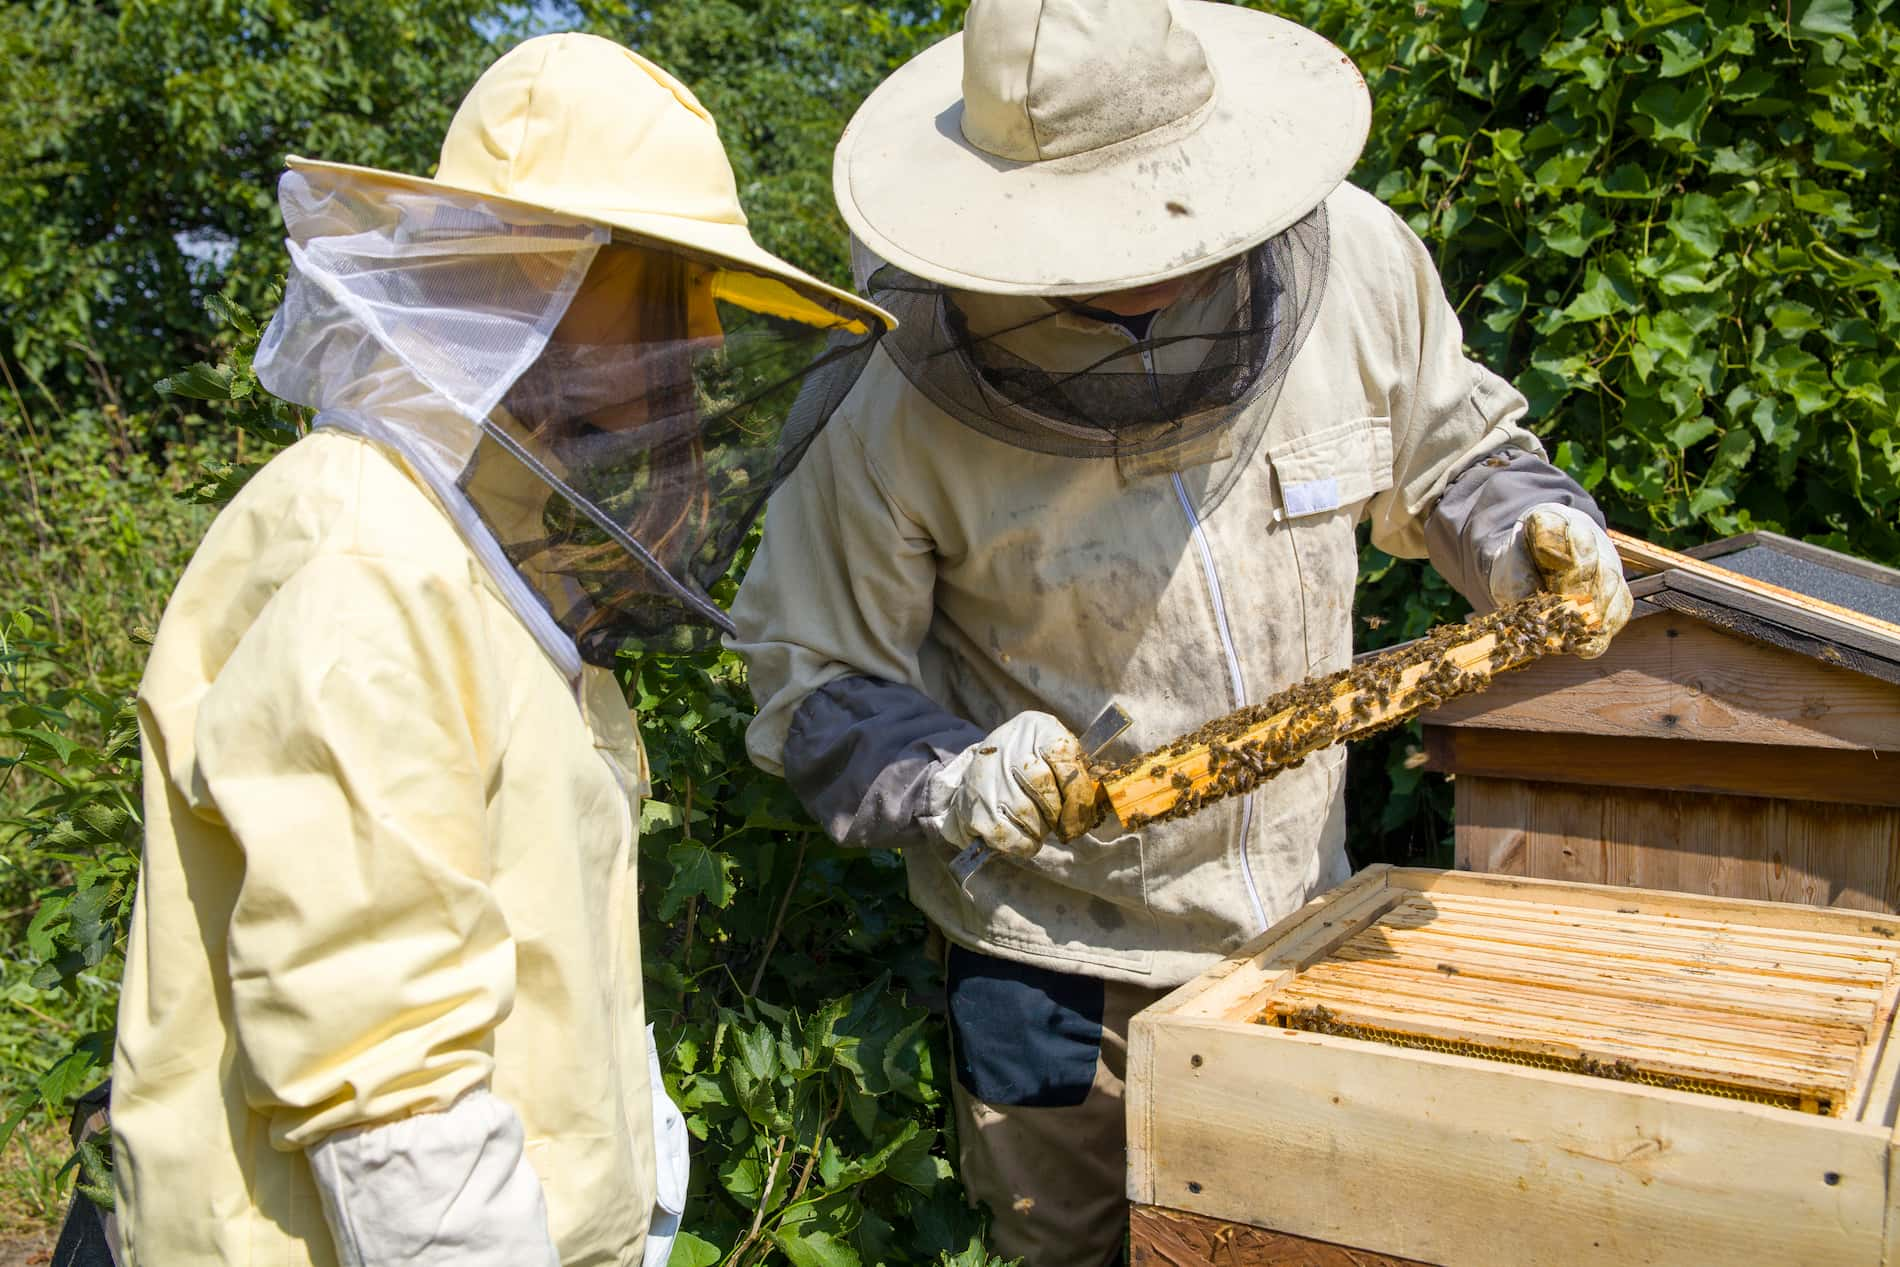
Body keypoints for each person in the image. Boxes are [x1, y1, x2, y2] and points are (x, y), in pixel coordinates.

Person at [727, 1, 1632, 1262]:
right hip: (1050, 960)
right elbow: (810, 680)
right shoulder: (885, 391)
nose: (1140, 270)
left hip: (1302, 931)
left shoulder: (1358, 265)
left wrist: (1531, 528)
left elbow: (1456, 455)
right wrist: (952, 775)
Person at [111, 31, 891, 1267]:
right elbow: (387, 1089)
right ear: (547, 270)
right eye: (668, 281)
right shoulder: (371, 561)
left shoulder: (482, 531)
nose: (698, 339)